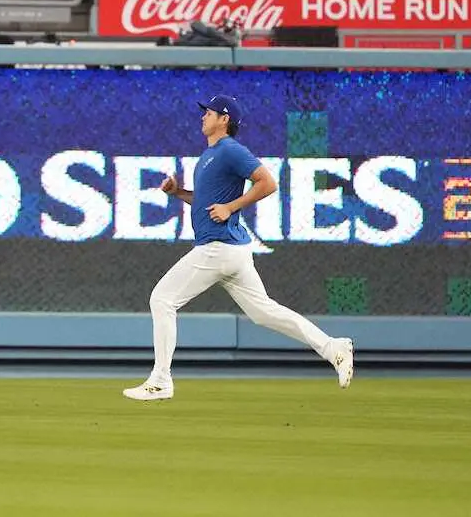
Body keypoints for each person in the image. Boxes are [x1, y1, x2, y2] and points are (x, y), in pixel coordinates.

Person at [122, 94, 355, 401]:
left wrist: (231, 207)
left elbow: (267, 183)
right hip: (232, 251)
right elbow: (207, 205)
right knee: (264, 312)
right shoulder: (209, 155)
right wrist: (178, 192)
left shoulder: (231, 150)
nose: (203, 116)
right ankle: (332, 347)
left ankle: (161, 380)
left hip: (218, 248)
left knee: (162, 299)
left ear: (225, 119)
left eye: (210, 112)